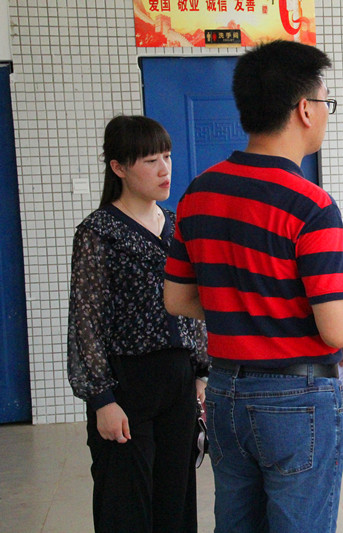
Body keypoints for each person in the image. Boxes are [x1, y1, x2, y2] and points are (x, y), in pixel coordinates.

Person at [163, 40, 343, 533]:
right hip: (297, 398)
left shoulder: (199, 193)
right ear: (304, 110)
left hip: (225, 391)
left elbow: (177, 298)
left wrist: (244, 307)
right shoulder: (310, 205)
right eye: (327, 102)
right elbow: (338, 330)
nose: (327, 113)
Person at [67, 115, 209, 533]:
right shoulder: (98, 232)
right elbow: (86, 322)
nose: (165, 169)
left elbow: (194, 304)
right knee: (126, 503)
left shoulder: (176, 224)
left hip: (179, 381)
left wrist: (201, 372)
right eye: (150, 161)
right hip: (127, 383)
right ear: (119, 168)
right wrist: (102, 400)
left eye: (167, 156)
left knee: (176, 500)